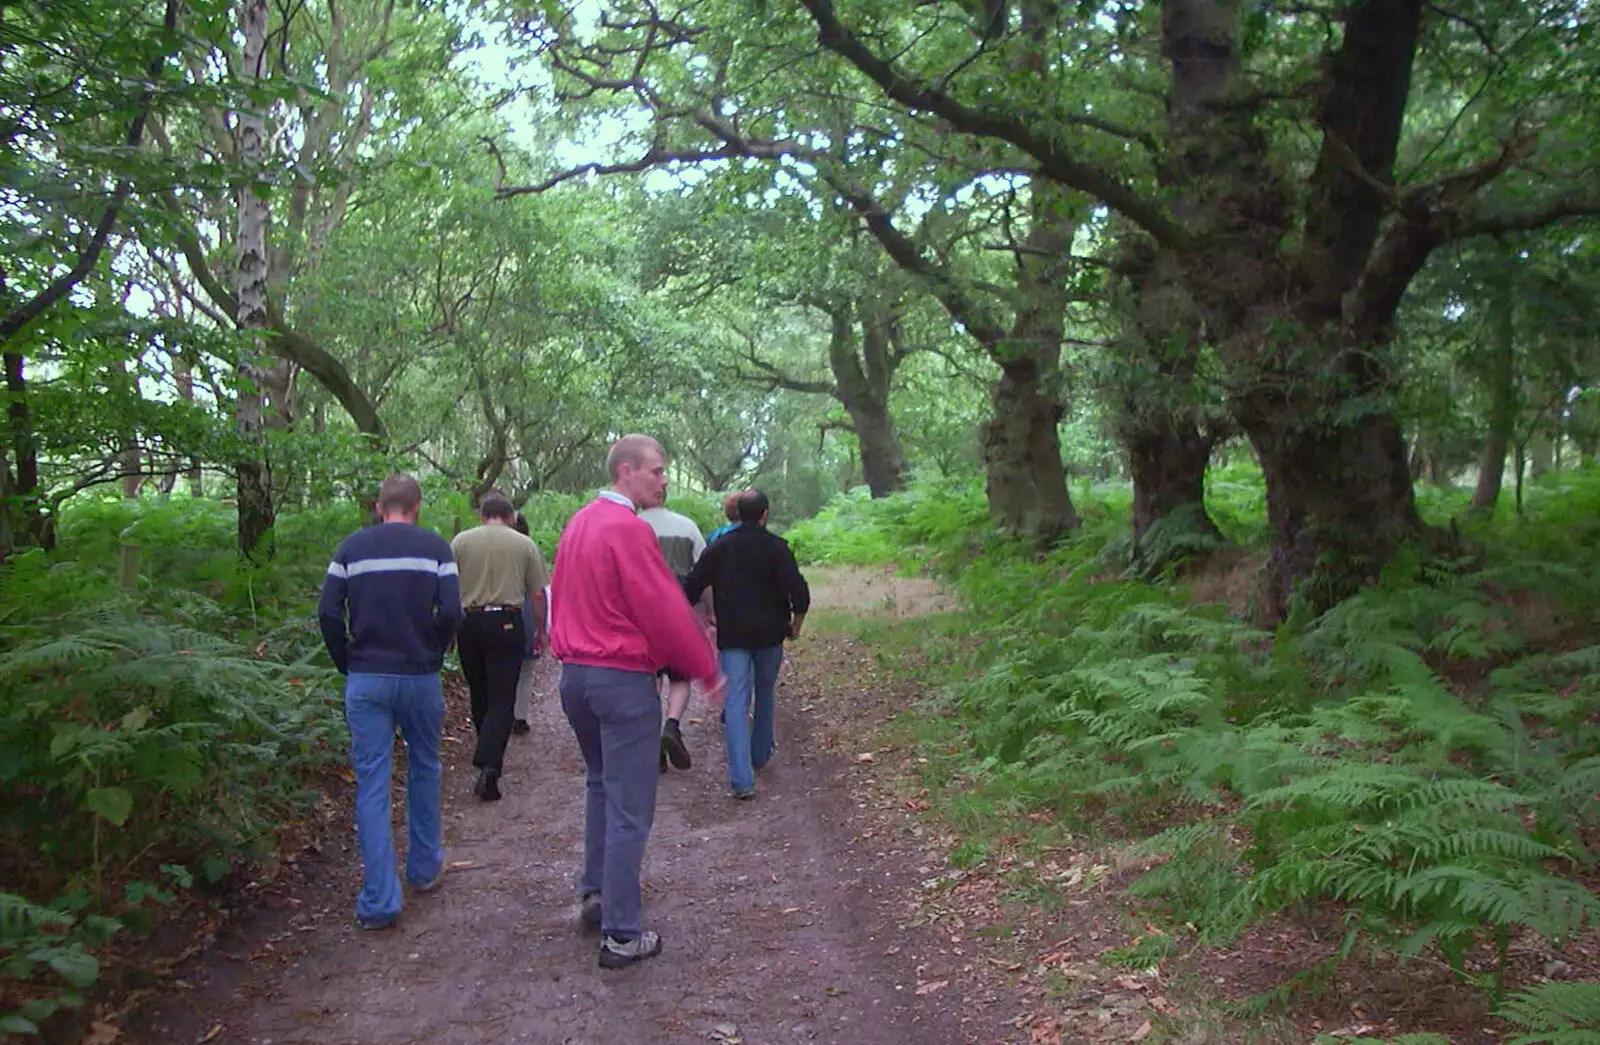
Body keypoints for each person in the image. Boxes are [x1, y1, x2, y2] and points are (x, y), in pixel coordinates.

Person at [550, 434, 722, 968]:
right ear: (627, 472)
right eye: (657, 470)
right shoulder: (628, 529)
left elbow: (560, 592)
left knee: (601, 784)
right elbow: (663, 608)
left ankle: (597, 893)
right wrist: (705, 668)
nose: (664, 479)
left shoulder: (580, 522)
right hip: (619, 679)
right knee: (631, 805)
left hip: (575, 676)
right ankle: (623, 934)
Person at [317, 474, 462, 931]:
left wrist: (347, 660)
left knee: (373, 782)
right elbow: (453, 611)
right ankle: (423, 868)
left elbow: (326, 612)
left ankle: (380, 899)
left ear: (380, 507)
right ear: (416, 506)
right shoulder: (436, 548)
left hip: (366, 678)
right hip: (419, 676)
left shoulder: (349, 549)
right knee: (425, 765)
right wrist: (433, 651)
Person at [684, 488, 810, 801]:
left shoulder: (720, 547)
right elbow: (800, 592)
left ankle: (742, 779)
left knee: (736, 701)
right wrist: (795, 627)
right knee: (765, 692)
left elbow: (692, 585)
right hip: (770, 636)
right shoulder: (778, 548)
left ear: (739, 513)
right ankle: (760, 753)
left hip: (734, 638)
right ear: (765, 514)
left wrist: (699, 619)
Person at [451, 492, 549, 801]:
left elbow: (448, 587)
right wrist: (541, 629)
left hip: (469, 623)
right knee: (503, 694)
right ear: (511, 517)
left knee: (478, 689)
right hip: (507, 622)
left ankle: (486, 751)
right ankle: (490, 763)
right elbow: (537, 594)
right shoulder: (524, 544)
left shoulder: (460, 543)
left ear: (481, 515)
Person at [636, 494, 709, 773]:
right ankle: (673, 724)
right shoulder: (687, 526)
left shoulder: (633, 525)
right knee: (679, 677)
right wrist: (707, 614)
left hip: (643, 616)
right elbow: (703, 573)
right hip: (679, 613)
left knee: (651, 678)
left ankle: (654, 741)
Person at [510, 512, 545, 736]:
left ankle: (504, 712)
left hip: (506, 610)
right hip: (528, 610)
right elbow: (540, 590)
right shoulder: (530, 549)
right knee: (527, 669)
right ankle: (519, 715)